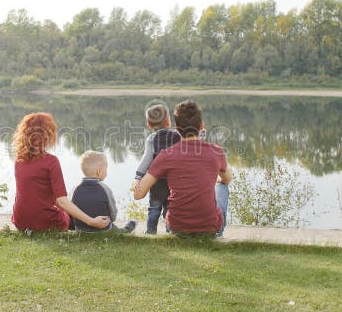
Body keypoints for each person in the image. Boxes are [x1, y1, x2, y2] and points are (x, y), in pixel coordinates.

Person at [133, 100, 232, 236]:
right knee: (222, 186)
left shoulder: (164, 156)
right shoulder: (216, 151)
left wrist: (138, 179)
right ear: (202, 125)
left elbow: (138, 195)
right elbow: (228, 179)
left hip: (176, 228)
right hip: (211, 229)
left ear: (177, 128)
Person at [11, 112, 110, 232]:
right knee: (67, 214)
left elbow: (32, 195)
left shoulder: (18, 161)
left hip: (20, 221)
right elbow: (61, 201)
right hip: (45, 223)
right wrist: (91, 221)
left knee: (67, 209)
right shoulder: (51, 161)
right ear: (47, 135)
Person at [132, 103, 180, 234]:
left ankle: (150, 232)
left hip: (156, 181)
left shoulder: (152, 138)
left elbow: (146, 159)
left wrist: (138, 176)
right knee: (170, 210)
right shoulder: (177, 136)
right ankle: (171, 232)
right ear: (168, 121)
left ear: (149, 124)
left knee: (154, 209)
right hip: (173, 181)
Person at [71, 151, 137, 233]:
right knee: (119, 231)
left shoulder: (76, 189)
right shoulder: (105, 188)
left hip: (81, 229)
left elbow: (72, 209)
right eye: (106, 168)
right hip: (103, 228)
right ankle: (129, 227)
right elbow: (113, 212)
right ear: (99, 171)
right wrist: (112, 220)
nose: (107, 171)